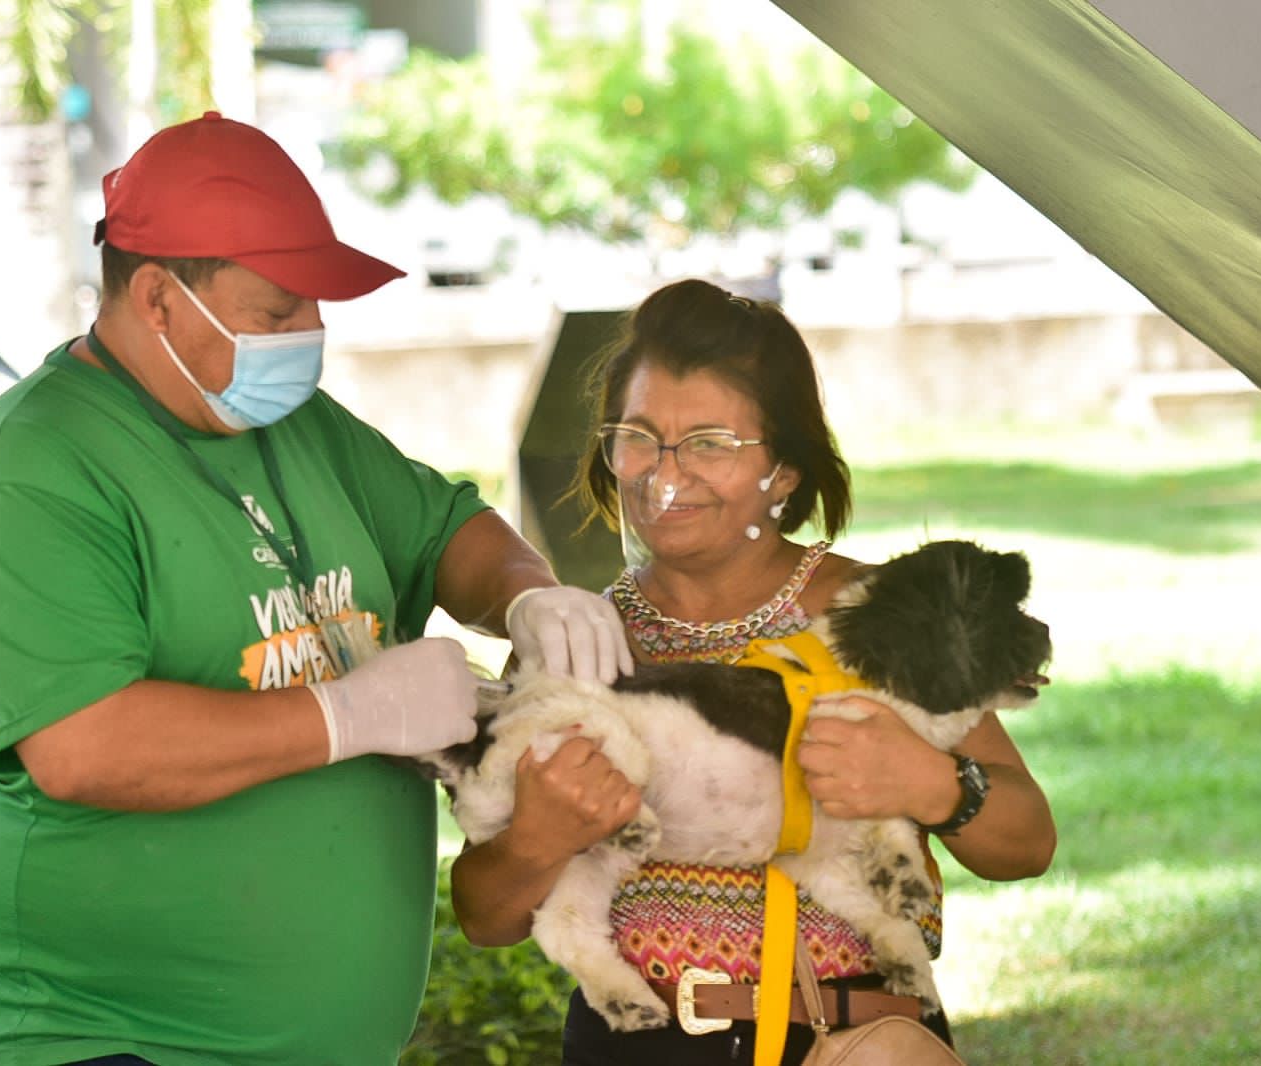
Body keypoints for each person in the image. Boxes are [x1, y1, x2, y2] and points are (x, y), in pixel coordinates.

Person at [0, 111, 633, 1066]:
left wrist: (526, 595)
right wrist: (348, 715)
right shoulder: (34, 467)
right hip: (111, 1039)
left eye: (313, 307)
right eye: (276, 313)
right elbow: (83, 746)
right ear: (158, 298)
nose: (309, 335)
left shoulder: (292, 426)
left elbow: (446, 529)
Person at [449, 278, 1057, 1064]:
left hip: (858, 1041)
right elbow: (483, 915)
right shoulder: (573, 640)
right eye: (637, 437)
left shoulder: (878, 616)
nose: (662, 475)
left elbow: (1026, 842)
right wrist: (536, 838)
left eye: (709, 443)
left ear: (786, 471)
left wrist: (933, 783)